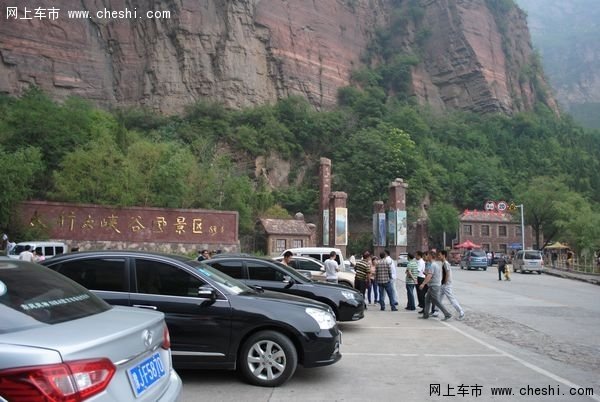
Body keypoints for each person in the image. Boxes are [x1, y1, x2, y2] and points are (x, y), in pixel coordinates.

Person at [419, 251, 452, 321]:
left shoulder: (433, 265)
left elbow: (430, 276)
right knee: (427, 300)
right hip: (433, 285)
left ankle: (447, 314)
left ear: (431, 256)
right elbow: (431, 275)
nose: (427, 257)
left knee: (436, 301)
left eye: (428, 255)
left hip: (434, 286)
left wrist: (423, 283)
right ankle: (426, 315)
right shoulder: (435, 264)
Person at [440, 250, 464, 320]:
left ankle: (461, 311)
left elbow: (447, 273)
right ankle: (435, 311)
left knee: (451, 299)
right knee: (438, 298)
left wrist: (445, 282)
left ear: (443, 255)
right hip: (444, 284)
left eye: (440, 255)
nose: (439, 256)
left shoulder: (446, 263)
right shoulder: (443, 263)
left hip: (446, 285)